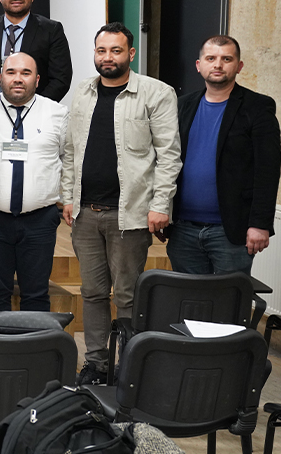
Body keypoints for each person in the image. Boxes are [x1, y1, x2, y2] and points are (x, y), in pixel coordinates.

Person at [61, 22, 181, 386]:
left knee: (127, 295)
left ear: (131, 54)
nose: (107, 57)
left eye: (116, 51)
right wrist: (67, 197)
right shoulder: (82, 92)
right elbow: (69, 151)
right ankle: (96, 363)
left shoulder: (155, 93)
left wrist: (161, 205)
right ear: (94, 53)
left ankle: (129, 366)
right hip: (86, 214)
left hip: (130, 215)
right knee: (93, 293)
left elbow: (169, 155)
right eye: (101, 50)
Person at [169, 35, 281, 275]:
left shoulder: (258, 107)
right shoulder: (181, 105)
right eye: (211, 58)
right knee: (189, 303)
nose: (218, 65)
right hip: (182, 229)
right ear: (199, 66)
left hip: (230, 231)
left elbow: (268, 170)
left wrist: (260, 224)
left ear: (239, 66)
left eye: (226, 59)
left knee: (227, 305)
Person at [0, 52, 67, 314]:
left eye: (26, 73)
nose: (18, 79)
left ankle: (33, 354)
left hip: (40, 220)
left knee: (37, 293)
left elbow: (69, 158)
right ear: (0, 77)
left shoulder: (57, 113)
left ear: (37, 79)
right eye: (11, 72)